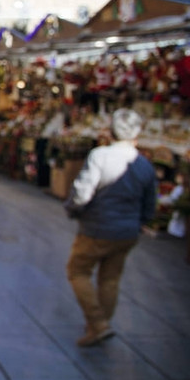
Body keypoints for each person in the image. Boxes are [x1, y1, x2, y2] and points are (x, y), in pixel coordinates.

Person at [63, 108, 157, 347]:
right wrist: (140, 222)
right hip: (127, 232)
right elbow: (149, 203)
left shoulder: (100, 156)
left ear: (112, 131)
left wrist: (73, 209)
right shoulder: (144, 164)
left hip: (98, 228)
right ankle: (99, 327)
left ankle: (97, 323)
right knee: (110, 279)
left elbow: (82, 193)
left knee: (78, 271)